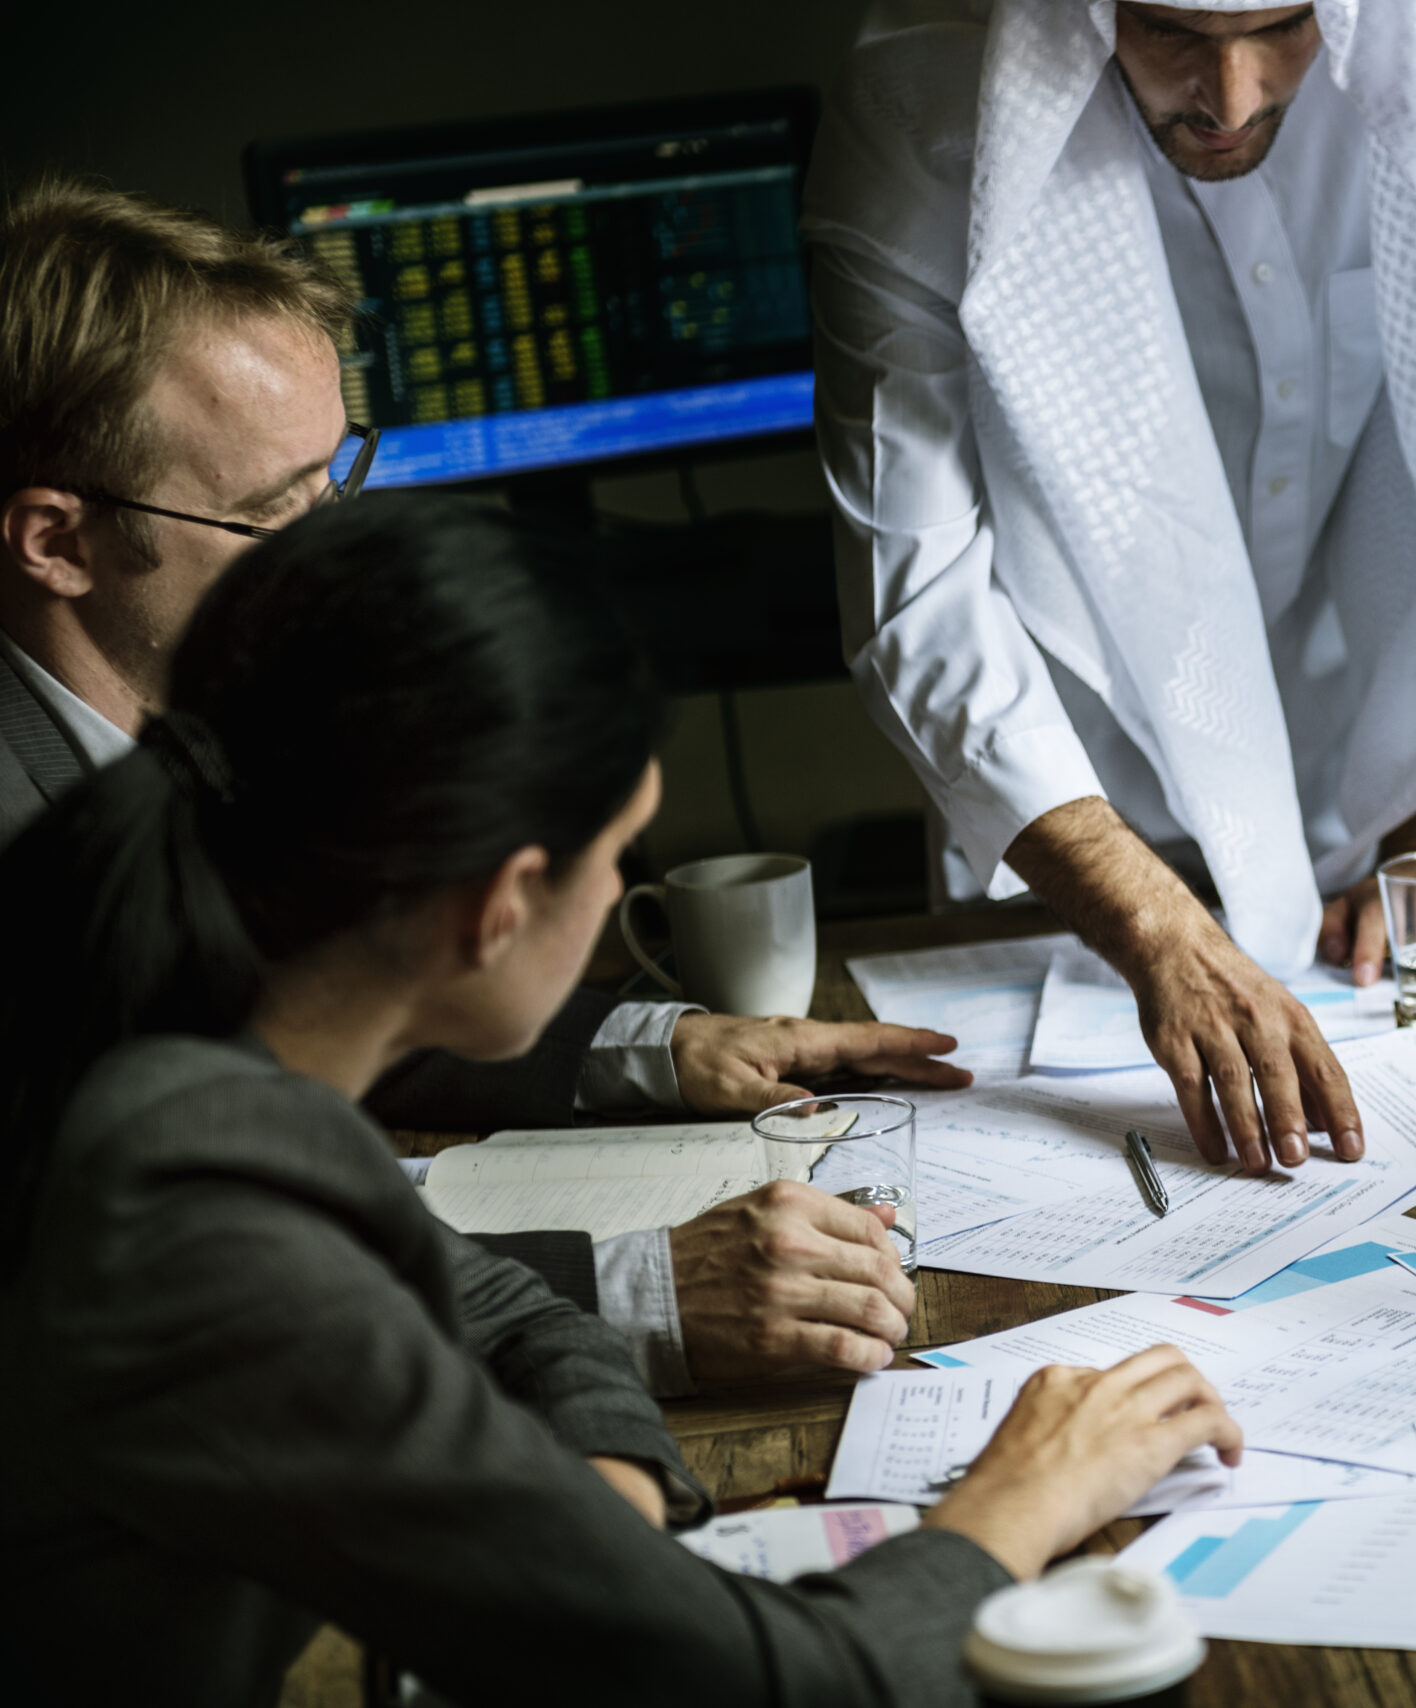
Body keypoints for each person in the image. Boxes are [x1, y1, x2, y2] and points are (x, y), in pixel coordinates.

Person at [0, 495, 1243, 1706]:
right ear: (500, 905)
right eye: (617, 858)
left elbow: (492, 1302)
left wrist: (608, 1484)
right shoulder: (189, 1218)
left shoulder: (207, 1055)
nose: (616, 898)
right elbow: (779, 1679)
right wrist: (1020, 1504)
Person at [0, 176, 975, 1393]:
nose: (344, 553)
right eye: (272, 513)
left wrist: (662, 1048)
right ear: (58, 543)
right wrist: (635, 1293)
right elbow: (136, 1286)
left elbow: (307, 1004)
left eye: (335, 479)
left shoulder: (203, 700)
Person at [805, 1, 1416, 1172]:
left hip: (1384, 808)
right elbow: (915, 583)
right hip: (1081, 833)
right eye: (1169, 31)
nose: (1231, 95)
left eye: (1283, 26)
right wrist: (1158, 930)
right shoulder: (919, 99)